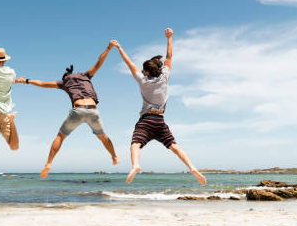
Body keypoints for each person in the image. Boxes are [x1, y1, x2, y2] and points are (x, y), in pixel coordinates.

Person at [112, 28, 206, 185]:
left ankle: (135, 166)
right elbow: (169, 56)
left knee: (135, 144)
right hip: (160, 121)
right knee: (174, 147)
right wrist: (169, 38)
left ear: (147, 72)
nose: (141, 71)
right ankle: (192, 167)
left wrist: (120, 48)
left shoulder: (143, 81)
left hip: (146, 121)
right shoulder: (164, 77)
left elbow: (129, 64)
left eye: (143, 70)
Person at [16, 42, 119, 178]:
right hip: (93, 111)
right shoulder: (85, 75)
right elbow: (99, 63)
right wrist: (108, 48)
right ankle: (115, 157)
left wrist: (26, 81)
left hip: (78, 110)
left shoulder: (64, 81)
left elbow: (43, 84)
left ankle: (48, 163)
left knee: (60, 137)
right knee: (103, 137)